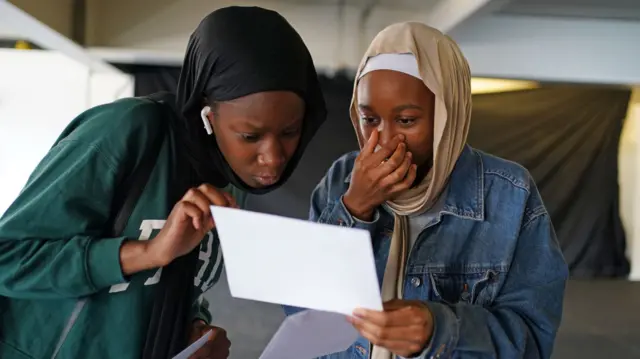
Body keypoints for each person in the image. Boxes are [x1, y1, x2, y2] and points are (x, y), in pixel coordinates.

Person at [0, 6, 326, 359]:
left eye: (291, 132)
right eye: (250, 136)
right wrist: (148, 252)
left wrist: (194, 331)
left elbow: (169, 288)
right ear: (207, 114)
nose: (274, 157)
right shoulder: (127, 131)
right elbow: (8, 258)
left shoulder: (230, 179)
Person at [285, 22, 568, 358]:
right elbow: (300, 315)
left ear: (448, 115)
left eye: (406, 120)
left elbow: (532, 341)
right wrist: (353, 209)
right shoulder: (342, 180)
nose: (385, 141)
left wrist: (440, 330)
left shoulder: (509, 194)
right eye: (369, 119)